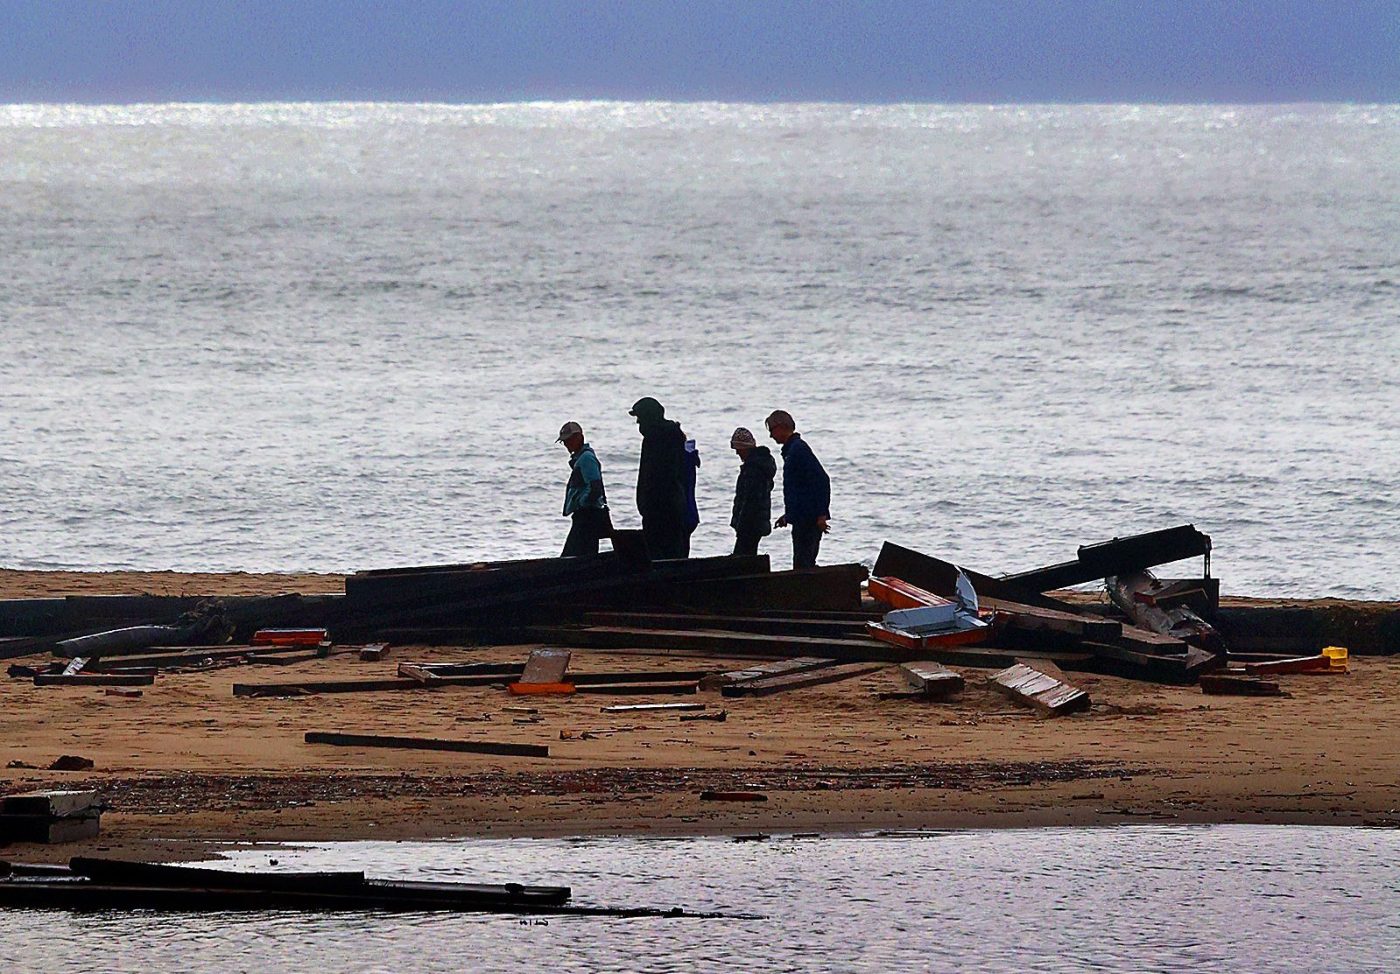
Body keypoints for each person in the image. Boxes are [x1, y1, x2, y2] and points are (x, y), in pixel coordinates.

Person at [765, 409, 830, 569]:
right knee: (803, 563)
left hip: (808, 520)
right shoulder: (793, 451)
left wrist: (821, 514)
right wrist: (789, 516)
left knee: (804, 565)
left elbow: (822, 480)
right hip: (802, 518)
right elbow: (800, 490)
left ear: (781, 427)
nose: (771, 436)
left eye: (772, 430)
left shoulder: (798, 451)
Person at [629, 396, 690, 559]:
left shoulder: (657, 439)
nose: (638, 423)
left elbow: (656, 476)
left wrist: (647, 502)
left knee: (662, 554)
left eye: (640, 418)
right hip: (665, 505)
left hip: (662, 507)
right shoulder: (667, 436)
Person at [557, 421, 611, 557]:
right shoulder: (582, 458)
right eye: (565, 442)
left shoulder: (586, 459)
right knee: (584, 554)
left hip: (587, 515)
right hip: (586, 514)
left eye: (569, 440)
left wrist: (582, 503)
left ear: (579, 438)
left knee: (573, 556)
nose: (567, 445)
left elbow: (595, 487)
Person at [728, 427, 776, 557]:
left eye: (738, 449)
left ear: (745, 448)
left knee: (742, 558)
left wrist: (741, 525)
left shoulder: (752, 469)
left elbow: (750, 501)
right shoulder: (760, 466)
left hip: (750, 524)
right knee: (749, 555)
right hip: (757, 522)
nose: (737, 453)